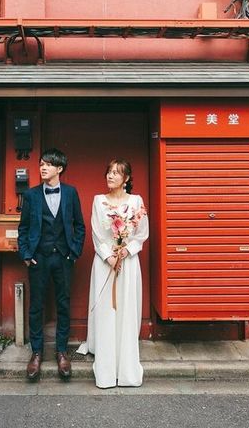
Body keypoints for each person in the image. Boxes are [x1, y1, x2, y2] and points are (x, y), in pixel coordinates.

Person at [77, 159, 149, 388]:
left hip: (127, 263)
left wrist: (126, 251)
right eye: (108, 171)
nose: (110, 176)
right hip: (105, 262)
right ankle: (106, 365)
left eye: (116, 173)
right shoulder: (99, 201)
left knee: (126, 309)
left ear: (126, 178)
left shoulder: (136, 202)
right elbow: (98, 233)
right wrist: (109, 256)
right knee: (107, 311)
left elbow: (141, 234)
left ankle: (126, 365)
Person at [17, 148, 85, 381]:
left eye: (48, 164)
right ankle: (36, 352)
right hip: (39, 258)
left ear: (60, 169)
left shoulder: (71, 193)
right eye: (41, 164)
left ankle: (61, 351)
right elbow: (23, 228)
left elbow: (79, 226)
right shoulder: (31, 195)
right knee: (36, 306)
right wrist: (26, 254)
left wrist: (74, 252)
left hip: (64, 258)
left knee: (63, 304)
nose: (43, 168)